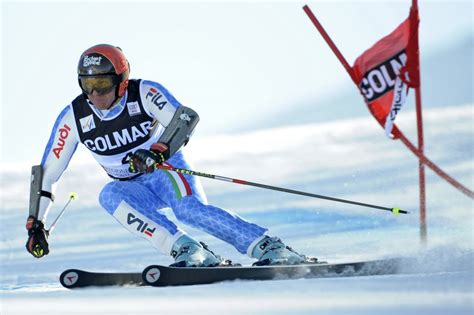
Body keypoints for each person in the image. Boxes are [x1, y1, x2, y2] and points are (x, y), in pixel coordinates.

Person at [25, 44, 314, 267]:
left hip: (165, 171)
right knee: (109, 195)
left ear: (121, 80)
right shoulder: (74, 117)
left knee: (188, 209)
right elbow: (48, 172)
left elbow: (184, 118)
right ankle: (188, 249)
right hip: (132, 186)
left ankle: (268, 246)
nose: (96, 94)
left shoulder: (144, 93)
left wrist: (156, 151)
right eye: (88, 86)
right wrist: (35, 223)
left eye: (102, 84)